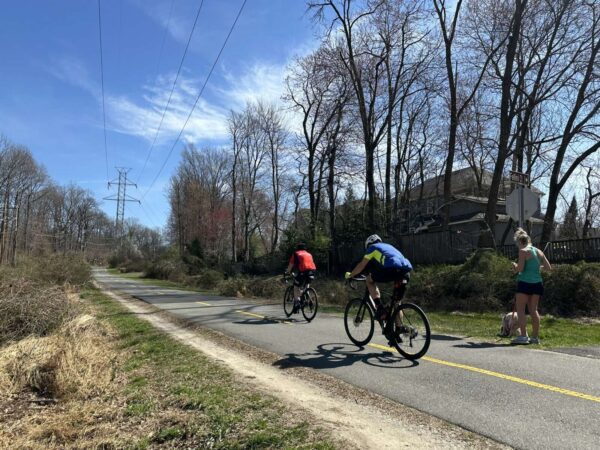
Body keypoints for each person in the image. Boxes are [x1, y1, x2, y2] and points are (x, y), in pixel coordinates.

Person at [344, 234, 413, 321]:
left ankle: (380, 308)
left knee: (369, 280)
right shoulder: (388, 247)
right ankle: (399, 327)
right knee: (396, 303)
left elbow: (361, 265)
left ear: (368, 245)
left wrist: (351, 275)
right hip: (405, 272)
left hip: (392, 270)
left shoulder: (372, 248)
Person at [511, 228, 552, 345]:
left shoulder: (523, 251)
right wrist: (537, 267)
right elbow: (548, 268)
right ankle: (535, 337)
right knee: (533, 310)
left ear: (519, 242)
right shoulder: (538, 251)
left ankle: (523, 336)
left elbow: (520, 269)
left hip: (524, 283)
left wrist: (514, 266)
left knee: (521, 310)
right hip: (537, 283)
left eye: (517, 244)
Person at [285, 242, 317, 313]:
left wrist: (287, 272)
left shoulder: (296, 254)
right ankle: (309, 299)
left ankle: (297, 303)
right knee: (306, 285)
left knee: (296, 286)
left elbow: (290, 265)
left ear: (297, 248)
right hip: (313, 271)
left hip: (303, 272)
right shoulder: (309, 254)